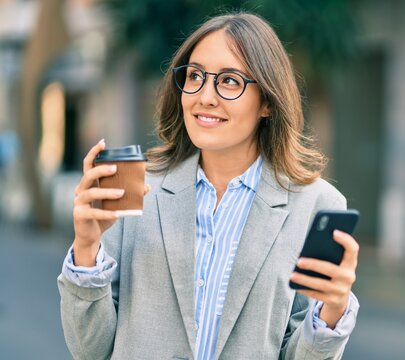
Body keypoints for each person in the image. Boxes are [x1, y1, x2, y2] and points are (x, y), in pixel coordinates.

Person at [58, 12, 360, 360]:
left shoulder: (317, 205)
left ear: (267, 102)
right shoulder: (137, 189)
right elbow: (89, 350)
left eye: (229, 81)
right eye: (195, 76)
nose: (205, 97)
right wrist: (86, 248)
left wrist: (333, 311)